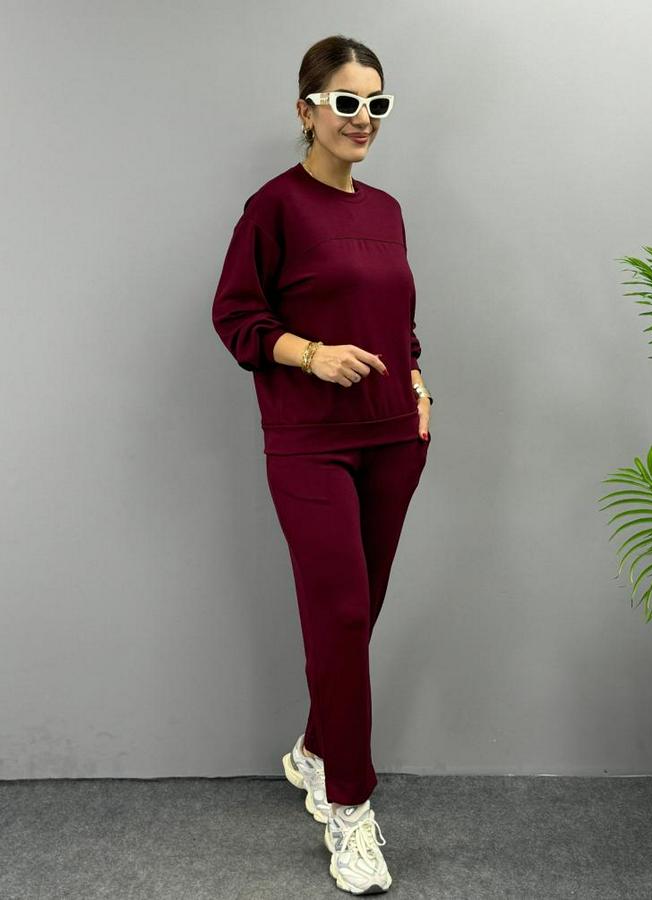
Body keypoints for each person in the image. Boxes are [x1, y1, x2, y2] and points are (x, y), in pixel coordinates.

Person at [211, 34, 433, 896]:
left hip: (394, 439)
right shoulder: (274, 208)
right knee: (339, 616)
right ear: (306, 110)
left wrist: (417, 382)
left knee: (357, 614)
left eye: (377, 104)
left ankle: (313, 749)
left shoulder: (388, 210)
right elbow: (236, 316)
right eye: (346, 102)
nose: (362, 118)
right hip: (311, 442)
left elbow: (398, 319)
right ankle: (349, 806)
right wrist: (310, 354)